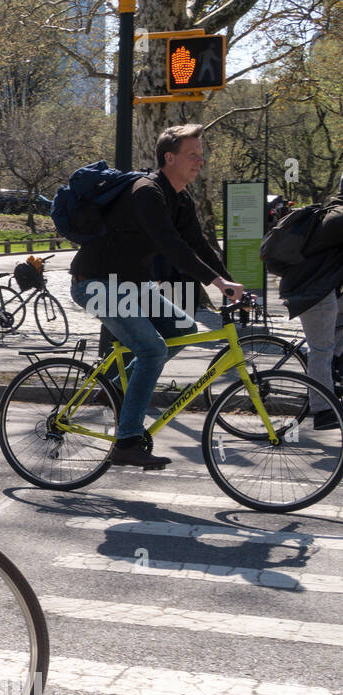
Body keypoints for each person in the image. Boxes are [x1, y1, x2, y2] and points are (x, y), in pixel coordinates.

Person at [69, 124, 243, 468]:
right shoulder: (145, 191)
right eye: (192, 155)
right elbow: (171, 245)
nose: (200, 160)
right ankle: (127, 441)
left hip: (133, 286)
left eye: (200, 154)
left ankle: (117, 389)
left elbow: (198, 244)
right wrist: (215, 282)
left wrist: (232, 284)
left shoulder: (180, 198)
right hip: (96, 284)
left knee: (185, 331)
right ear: (169, 158)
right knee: (152, 349)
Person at [278, 174, 343, 429]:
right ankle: (322, 410)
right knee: (321, 350)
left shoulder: (334, 210)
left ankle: (332, 371)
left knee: (326, 346)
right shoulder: (340, 217)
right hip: (313, 291)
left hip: (317, 288)